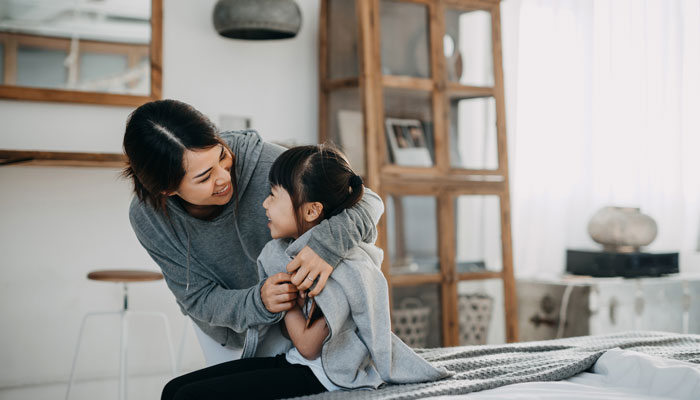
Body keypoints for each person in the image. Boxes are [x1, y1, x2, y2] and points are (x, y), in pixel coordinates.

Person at [161, 145, 450, 399]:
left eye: (273, 195)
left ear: (311, 211)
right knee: (172, 389)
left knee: (189, 395)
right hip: (297, 362)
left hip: (326, 375)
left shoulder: (333, 268)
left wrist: (286, 299)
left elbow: (309, 345)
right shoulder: (290, 252)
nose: (265, 203)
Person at [123, 99, 383, 364]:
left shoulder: (267, 162)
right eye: (204, 177)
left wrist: (325, 247)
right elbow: (198, 298)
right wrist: (259, 301)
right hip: (230, 334)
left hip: (305, 324)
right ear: (167, 190)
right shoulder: (148, 218)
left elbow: (368, 202)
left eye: (222, 156)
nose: (223, 177)